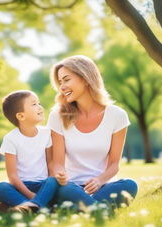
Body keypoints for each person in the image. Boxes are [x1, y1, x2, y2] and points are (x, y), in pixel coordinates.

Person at [48, 55, 138, 209]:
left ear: (85, 78)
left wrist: (99, 180)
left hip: (103, 186)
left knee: (130, 185)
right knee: (66, 190)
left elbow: (114, 164)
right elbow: (57, 164)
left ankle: (84, 208)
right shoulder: (57, 116)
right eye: (60, 82)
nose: (62, 87)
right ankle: (100, 209)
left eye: (66, 79)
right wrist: (60, 176)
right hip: (72, 187)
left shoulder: (117, 115)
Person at [0, 90, 60, 214]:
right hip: (21, 187)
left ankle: (29, 208)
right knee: (0, 188)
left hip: (43, 186)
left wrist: (44, 190)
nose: (40, 107)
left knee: (53, 180)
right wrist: (30, 195)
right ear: (21, 116)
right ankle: (39, 207)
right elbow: (12, 176)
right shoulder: (10, 139)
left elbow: (50, 165)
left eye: (39, 103)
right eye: (34, 104)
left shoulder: (46, 133)